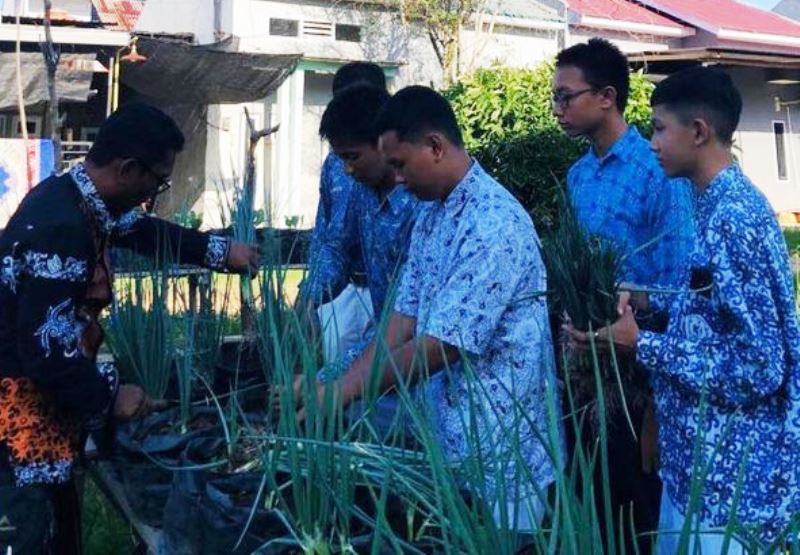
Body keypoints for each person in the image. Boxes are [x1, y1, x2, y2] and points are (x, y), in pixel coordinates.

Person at [0, 103, 258, 554]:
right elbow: (46, 350)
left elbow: (141, 231)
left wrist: (220, 253)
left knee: (59, 522)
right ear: (127, 169)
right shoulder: (61, 228)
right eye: (158, 181)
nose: (156, 192)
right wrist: (110, 396)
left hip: (37, 402)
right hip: (18, 417)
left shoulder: (77, 199)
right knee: (35, 532)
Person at [305, 86, 563, 532]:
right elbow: (398, 325)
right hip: (449, 440)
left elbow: (437, 348)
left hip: (502, 453)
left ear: (436, 147)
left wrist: (343, 392)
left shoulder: (493, 223)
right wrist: (334, 382)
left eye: (402, 164)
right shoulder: (433, 214)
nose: (398, 179)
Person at [569, 67, 800, 550]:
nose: (650, 142)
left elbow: (760, 366)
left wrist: (644, 345)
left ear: (698, 132)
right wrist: (647, 297)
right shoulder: (709, 205)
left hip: (733, 483)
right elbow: (709, 310)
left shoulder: (733, 218)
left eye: (658, 128)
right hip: (701, 464)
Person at [552, 37, 695, 552]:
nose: (558, 109)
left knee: (636, 514)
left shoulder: (659, 169)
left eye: (567, 97)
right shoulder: (577, 176)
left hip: (638, 371)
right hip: (585, 371)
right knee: (592, 504)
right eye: (556, 98)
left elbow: (677, 286)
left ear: (607, 97)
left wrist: (658, 403)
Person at [313, 84, 421, 381]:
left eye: (353, 157)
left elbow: (401, 320)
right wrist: (309, 301)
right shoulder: (362, 191)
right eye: (341, 159)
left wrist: (326, 379)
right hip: (385, 346)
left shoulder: (419, 204)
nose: (347, 170)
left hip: (417, 358)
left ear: (383, 143)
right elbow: (335, 245)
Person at [298, 62, 388, 362]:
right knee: (349, 382)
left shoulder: (409, 183)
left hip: (396, 303)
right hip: (347, 291)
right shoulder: (335, 166)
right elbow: (327, 235)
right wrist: (310, 295)